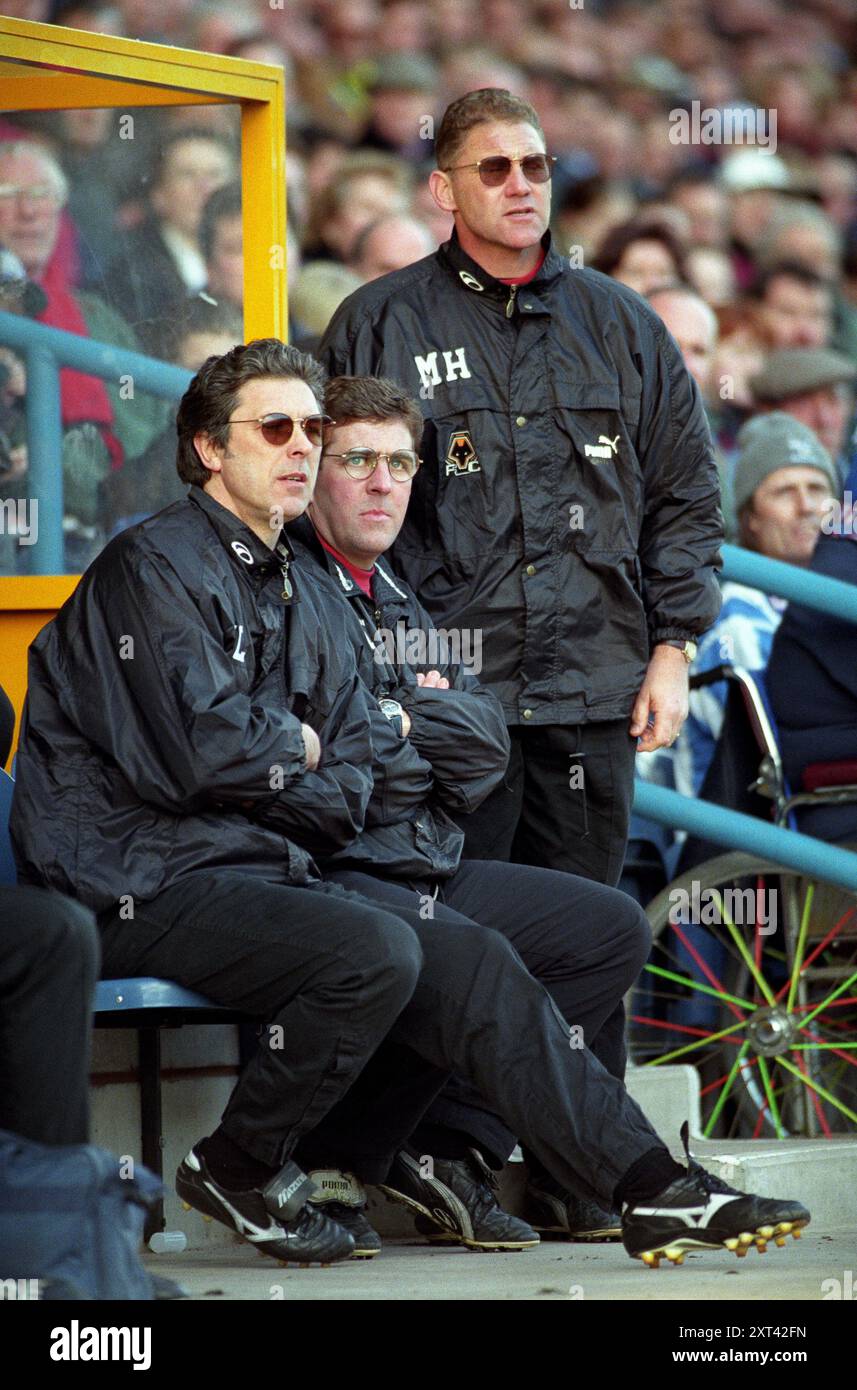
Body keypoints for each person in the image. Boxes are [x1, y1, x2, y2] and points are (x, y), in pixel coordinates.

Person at [10, 339, 809, 1269]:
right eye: (276, 429)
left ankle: (636, 1185)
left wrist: (330, 751)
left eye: (313, 429)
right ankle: (245, 1160)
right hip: (142, 877)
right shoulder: (151, 564)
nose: (300, 447)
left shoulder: (301, 579)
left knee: (501, 943)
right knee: (399, 947)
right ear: (206, 448)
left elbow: (420, 755)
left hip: (272, 865)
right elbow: (204, 755)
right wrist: (320, 749)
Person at [319, 87, 723, 904]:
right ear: (444, 190)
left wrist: (673, 650)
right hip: (444, 697)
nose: (519, 184)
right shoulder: (379, 322)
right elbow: (331, 513)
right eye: (494, 167)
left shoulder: (624, 323)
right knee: (456, 955)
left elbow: (684, 494)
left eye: (534, 166)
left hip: (593, 696)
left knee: (586, 954)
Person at [288, 373, 650, 1244]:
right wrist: (411, 729)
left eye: (400, 463)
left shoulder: (406, 599)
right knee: (460, 954)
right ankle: (364, 1149)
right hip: (318, 868)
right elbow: (303, 755)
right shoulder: (285, 583)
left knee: (608, 930)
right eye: (358, 461)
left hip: (408, 856)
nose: (383, 483)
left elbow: (480, 751)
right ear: (310, 473)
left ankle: (434, 1140)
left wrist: (397, 726)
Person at [635, 413, 839, 865]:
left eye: (817, 489)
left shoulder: (836, 601)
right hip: (740, 847)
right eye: (785, 492)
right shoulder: (737, 615)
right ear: (748, 519)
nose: (807, 506)